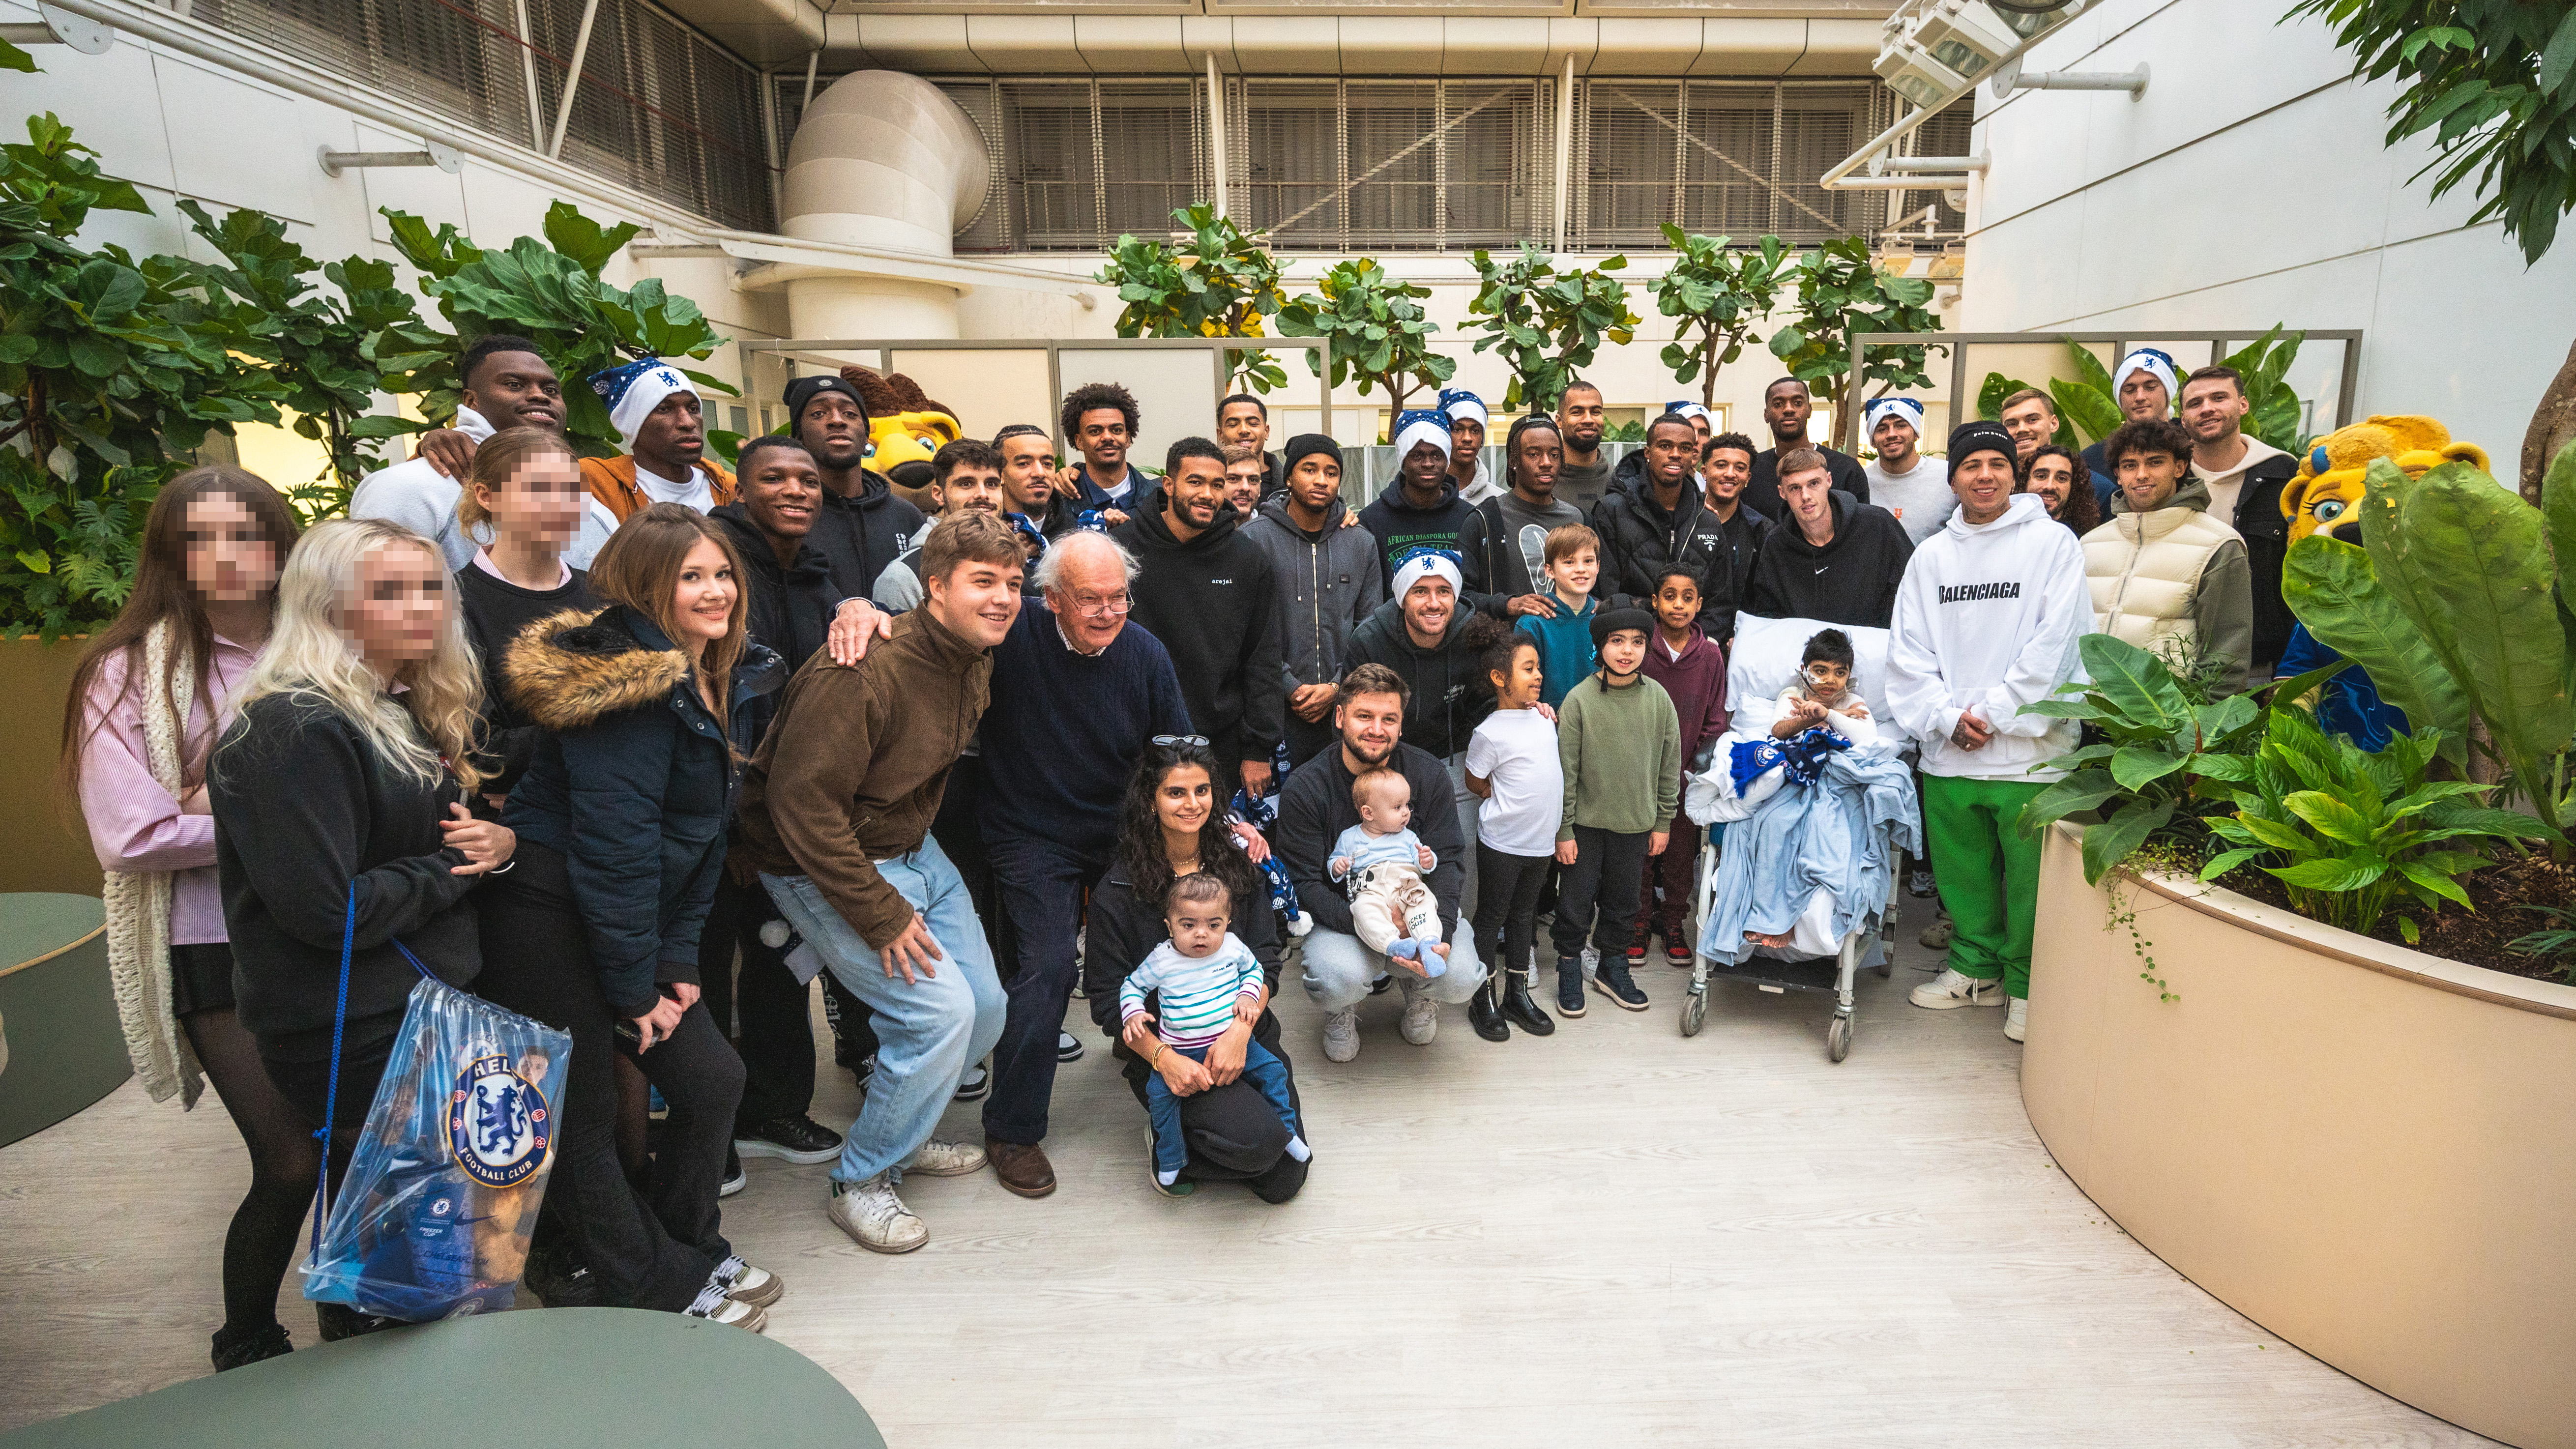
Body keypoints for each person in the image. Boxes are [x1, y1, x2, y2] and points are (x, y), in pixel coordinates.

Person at [208, 517, 515, 1340]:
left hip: (416, 997)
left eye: (429, 588)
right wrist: (455, 870)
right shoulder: (295, 725)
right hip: (353, 1018)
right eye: (388, 591)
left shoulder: (392, 702)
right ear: (327, 604)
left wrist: (496, 841)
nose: (421, 607)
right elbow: (323, 912)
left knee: (403, 1235)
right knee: (384, 1243)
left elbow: (434, 840)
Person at [488, 504, 778, 1329]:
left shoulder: (716, 677)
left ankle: (687, 1249)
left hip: (622, 921)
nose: (717, 589)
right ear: (649, 585)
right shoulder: (632, 688)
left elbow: (695, 847)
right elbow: (618, 854)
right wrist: (632, 992)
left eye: (723, 572)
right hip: (546, 914)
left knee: (713, 1078)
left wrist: (678, 965)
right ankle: (651, 1284)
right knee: (580, 1119)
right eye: (693, 575)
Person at [63, 467, 306, 1370]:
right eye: (200, 538)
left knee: (358, 1140)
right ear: (172, 555)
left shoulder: (326, 648)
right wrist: (282, 820)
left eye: (246, 532)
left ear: (280, 544)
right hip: (212, 942)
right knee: (288, 1160)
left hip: (333, 927)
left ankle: (365, 1311)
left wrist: (222, 803)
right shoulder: (126, 671)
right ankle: (246, 1339)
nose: (228, 556)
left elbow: (379, 790)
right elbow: (132, 833)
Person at [734, 512, 1023, 1252]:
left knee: (985, 1008)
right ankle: (861, 1179)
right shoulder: (860, 668)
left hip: (909, 844)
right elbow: (800, 808)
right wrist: (882, 914)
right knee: (935, 1018)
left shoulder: (975, 656)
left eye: (1013, 583)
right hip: (820, 862)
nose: (1002, 598)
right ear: (933, 587)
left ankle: (906, 1127)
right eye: (982, 582)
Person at [976, 531, 1195, 1197]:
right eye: (1090, 600)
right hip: (1029, 829)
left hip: (1119, 828)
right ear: (1051, 601)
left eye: (1118, 598)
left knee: (1171, 944)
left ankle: (1164, 1066)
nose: (1108, 613)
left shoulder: (1145, 653)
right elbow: (924, 630)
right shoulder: (1010, 639)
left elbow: (1177, 752)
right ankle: (1012, 1129)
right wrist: (857, 608)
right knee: (1045, 968)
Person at [1887, 421, 2091, 1046]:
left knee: (2031, 883)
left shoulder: (2052, 545)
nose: (1983, 475)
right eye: (1970, 464)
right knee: (1964, 875)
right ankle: (1975, 970)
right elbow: (1908, 650)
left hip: (2029, 757)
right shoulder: (1932, 555)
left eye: (1996, 464)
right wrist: (1947, 717)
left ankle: (2027, 986)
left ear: (2014, 473)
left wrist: (1995, 713)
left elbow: (2056, 644)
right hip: (1951, 753)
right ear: (1951, 479)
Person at [700, 438, 868, 1171]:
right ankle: (712, 1135)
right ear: (742, 490)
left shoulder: (820, 578)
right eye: (776, 478)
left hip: (799, 811)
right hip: (728, 817)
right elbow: (718, 704)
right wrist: (738, 829)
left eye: (807, 479)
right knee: (709, 978)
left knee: (781, 966)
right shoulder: (719, 571)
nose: (797, 490)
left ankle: (773, 1110)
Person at [1082, 737, 1309, 1202]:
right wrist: (1164, 1061)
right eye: (1176, 793)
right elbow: (1107, 1001)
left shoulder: (1238, 867)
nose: (1192, 804)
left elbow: (1266, 958)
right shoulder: (1118, 890)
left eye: (1202, 791)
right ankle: (1167, 1138)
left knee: (1285, 1180)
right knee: (1259, 1147)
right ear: (1151, 801)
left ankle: (1199, 1141)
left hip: (1244, 1031)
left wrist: (1240, 1033)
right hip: (1174, 1049)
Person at [1277, 664, 1489, 1062]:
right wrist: (1370, 924)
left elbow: (1448, 861)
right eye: (1364, 716)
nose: (1377, 729)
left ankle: (1420, 991)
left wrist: (1435, 928)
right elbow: (1303, 883)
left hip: (1416, 907)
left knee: (1462, 976)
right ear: (1340, 718)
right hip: (1344, 916)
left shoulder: (1427, 775)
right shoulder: (1308, 787)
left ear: (1401, 725)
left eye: (1388, 719)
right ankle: (1343, 1010)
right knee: (1336, 978)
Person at [1115, 436, 1286, 802]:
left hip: (1217, 743)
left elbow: (1263, 657)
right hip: (1131, 741)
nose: (1208, 494)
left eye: (1217, 484)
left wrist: (1258, 748)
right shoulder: (1120, 549)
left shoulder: (1247, 559)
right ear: (1169, 485)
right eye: (1196, 482)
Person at [1121, 873, 1309, 1194]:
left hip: (1239, 1043)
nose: (1201, 935)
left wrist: (1248, 997)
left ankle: (1288, 1133)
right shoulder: (1163, 959)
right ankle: (1170, 1158)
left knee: (1274, 1072)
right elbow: (1132, 986)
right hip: (1180, 1053)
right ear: (1170, 926)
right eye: (1188, 925)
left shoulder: (1233, 948)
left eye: (1214, 925)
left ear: (1227, 923)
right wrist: (1134, 1013)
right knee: (1163, 1101)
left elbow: (1255, 970)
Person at [1347, 552, 1498, 915]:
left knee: (1462, 850)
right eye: (1420, 592)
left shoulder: (1474, 633)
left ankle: (1455, 931)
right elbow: (1355, 716)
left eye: (1444, 591)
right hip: (1388, 758)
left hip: (1455, 754)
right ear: (1402, 598)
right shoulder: (1369, 640)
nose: (1434, 603)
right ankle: (1386, 936)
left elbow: (1490, 700)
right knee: (1385, 854)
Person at [1549, 601, 1679, 1017]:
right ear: (1600, 646)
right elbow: (1566, 773)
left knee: (1625, 903)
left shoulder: (1658, 700)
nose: (1627, 651)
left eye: (1638, 642)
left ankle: (1612, 966)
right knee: (1574, 902)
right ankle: (1570, 967)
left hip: (1635, 825)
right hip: (1584, 827)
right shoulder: (1579, 701)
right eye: (1616, 642)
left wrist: (1663, 821)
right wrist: (1564, 830)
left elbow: (1669, 765)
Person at [451, 428, 595, 799]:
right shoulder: (449, 604)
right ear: (486, 496)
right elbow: (478, 749)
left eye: (571, 489)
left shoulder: (605, 594)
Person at [350, 335, 568, 571]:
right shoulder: (405, 487)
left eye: (551, 390)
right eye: (514, 385)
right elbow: (374, 594)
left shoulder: (588, 499)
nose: (540, 396)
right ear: (471, 400)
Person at [2082, 415, 2256, 698]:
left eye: (2155, 462)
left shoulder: (2219, 545)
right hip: (2084, 719)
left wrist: (2194, 733)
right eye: (2129, 465)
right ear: (2117, 474)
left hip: (2164, 728)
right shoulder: (2090, 544)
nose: (2141, 475)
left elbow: (2226, 659)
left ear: (2180, 467)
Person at [1243, 435, 1384, 767]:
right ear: (1289, 477)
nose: (1321, 480)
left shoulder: (1361, 542)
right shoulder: (1253, 540)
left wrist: (1337, 686)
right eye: (1310, 469)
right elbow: (1246, 631)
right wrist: (1289, 685)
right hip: (1274, 711)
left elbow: (1371, 627)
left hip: (1345, 710)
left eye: (1331, 472)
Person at [1461, 615, 1561, 1041]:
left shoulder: (1543, 719)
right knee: (1493, 918)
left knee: (1525, 917)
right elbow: (1474, 780)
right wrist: (1496, 798)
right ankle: (1481, 998)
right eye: (1528, 669)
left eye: (1539, 668)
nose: (1538, 675)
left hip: (1540, 844)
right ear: (1500, 678)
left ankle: (1516, 995)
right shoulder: (1489, 732)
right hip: (1502, 843)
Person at [1633, 568, 1728, 969]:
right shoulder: (1639, 648)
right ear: (1655, 601)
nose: (1678, 605)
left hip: (1685, 778)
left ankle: (1673, 922)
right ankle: (1637, 923)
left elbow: (1716, 719)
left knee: (1678, 854)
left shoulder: (1710, 656)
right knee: (1638, 853)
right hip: (1636, 774)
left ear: (1699, 605)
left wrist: (1693, 770)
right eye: (1669, 596)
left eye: (1687, 597)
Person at [2180, 364, 2302, 672]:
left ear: (2243, 405)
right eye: (2195, 404)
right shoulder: (2168, 479)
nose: (2207, 409)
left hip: (2260, 660)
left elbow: (2303, 572)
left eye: (2219, 398)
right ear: (2183, 420)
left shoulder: (2285, 477)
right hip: (2177, 655)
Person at [1590, 412, 1739, 641]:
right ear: (1648, 454)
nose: (1676, 455)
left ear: (1694, 457)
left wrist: (1696, 647)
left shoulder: (1708, 519)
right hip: (1633, 651)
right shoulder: (1613, 511)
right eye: (1665, 446)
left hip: (1693, 654)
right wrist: (1646, 642)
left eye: (1685, 448)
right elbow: (1607, 594)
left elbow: (1719, 603)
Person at [787, 374, 929, 604]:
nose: (837, 421)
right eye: (818, 414)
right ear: (798, 436)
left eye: (850, 414)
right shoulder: (791, 516)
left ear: (865, 434)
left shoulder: (906, 515)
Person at [1740, 449, 1915, 628]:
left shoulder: (1878, 525)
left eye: (1814, 484)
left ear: (1829, 481)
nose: (1806, 496)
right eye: (1795, 488)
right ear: (1782, 493)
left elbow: (1915, 587)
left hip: (1872, 649)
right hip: (1804, 652)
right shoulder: (1776, 544)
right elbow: (1767, 614)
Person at [578, 358, 736, 548]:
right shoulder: (595, 483)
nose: (688, 423)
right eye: (665, 409)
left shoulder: (730, 488)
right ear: (632, 425)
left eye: (693, 409)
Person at [1458, 414, 1584, 622]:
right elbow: (1460, 596)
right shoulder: (1485, 520)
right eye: (1534, 454)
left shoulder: (1578, 519)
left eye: (1554, 455)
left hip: (1567, 647)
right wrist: (1508, 605)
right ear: (1514, 461)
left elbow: (1598, 591)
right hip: (1508, 648)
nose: (1546, 463)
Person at [1328, 769, 1451, 969]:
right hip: (1371, 890)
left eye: (1407, 805)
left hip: (1406, 886)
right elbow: (1334, 863)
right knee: (1362, 910)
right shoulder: (1349, 838)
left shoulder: (1408, 837)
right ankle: (1393, 944)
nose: (1406, 812)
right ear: (1368, 813)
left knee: (1423, 901)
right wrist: (1337, 866)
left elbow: (1422, 864)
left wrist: (1426, 860)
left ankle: (1429, 943)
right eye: (1397, 807)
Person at [873, 438, 1011, 611]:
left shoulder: (1019, 561)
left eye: (991, 484)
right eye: (966, 484)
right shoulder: (903, 577)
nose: (983, 494)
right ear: (939, 495)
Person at [1358, 408, 1475, 587]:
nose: (1428, 463)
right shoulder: (1372, 521)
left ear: (1447, 461)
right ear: (1403, 460)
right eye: (1417, 455)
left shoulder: (1469, 518)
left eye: (1437, 455)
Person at [1747, 378, 1870, 519]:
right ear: (1766, 414)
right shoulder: (1752, 470)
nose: (1788, 409)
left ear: (1809, 410)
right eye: (1778, 404)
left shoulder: (1847, 469)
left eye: (1798, 403)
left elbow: (1862, 529)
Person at [1516, 524, 1602, 709]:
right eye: (1569, 562)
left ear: (1598, 567)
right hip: (1548, 724)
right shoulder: (1532, 624)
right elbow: (1521, 689)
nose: (1581, 569)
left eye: (1588, 561)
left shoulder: (1605, 618)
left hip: (1598, 725)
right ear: (1549, 571)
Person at [2000, 386, 2113, 518]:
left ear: (2053, 424)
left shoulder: (2096, 487)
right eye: (2012, 424)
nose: (2022, 429)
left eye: (2032, 420)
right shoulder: (1996, 485)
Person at [2080, 349, 2178, 495]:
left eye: (2150, 387)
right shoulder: (2093, 459)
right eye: (2129, 390)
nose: (2140, 397)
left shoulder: (2193, 445)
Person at [1862, 398, 1954, 546]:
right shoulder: (1861, 481)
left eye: (1901, 426)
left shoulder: (1948, 476)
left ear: (1916, 433)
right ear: (1873, 440)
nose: (1891, 434)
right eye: (1882, 429)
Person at [1057, 381, 1148, 522]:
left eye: (1116, 430)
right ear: (1079, 441)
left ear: (1128, 438)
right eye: (1095, 431)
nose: (1107, 437)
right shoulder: (1061, 503)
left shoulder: (1157, 499)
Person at [1702, 432, 1772, 611]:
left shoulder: (1762, 531)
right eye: (1721, 465)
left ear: (1748, 478)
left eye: (1740, 468)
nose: (1730, 474)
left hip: (1740, 634)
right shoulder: (1683, 520)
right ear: (1704, 472)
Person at [995, 424, 1081, 539]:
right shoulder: (981, 534)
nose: (1040, 473)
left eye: (1047, 464)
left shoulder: (1077, 533)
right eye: (1024, 464)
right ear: (999, 473)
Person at [1552, 380, 1616, 517]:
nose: (1588, 419)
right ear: (1559, 421)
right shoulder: (1544, 482)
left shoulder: (1620, 482)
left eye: (1595, 412)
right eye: (1577, 412)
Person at [2019, 443, 2101, 536]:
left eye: (2062, 479)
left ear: (2073, 486)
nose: (2050, 486)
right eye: (2041, 476)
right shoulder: (2005, 531)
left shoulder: (2085, 539)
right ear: (2025, 480)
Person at [1440, 388, 1501, 504]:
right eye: (1458, 429)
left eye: (1475, 431)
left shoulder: (1499, 501)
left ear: (1483, 438)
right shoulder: (1427, 497)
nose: (1467, 438)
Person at [1215, 393, 1278, 495]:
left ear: (1266, 431)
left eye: (1253, 423)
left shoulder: (1290, 485)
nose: (1244, 430)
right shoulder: (1208, 487)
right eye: (1233, 425)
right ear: (1221, 434)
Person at [1220, 443, 1268, 522]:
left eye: (1253, 480)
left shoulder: (1272, 531)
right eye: (1233, 479)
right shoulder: (1199, 532)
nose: (1245, 488)